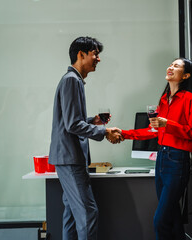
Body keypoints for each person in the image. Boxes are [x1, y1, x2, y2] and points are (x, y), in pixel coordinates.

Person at [112, 58, 192, 240]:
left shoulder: (190, 99)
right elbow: (153, 131)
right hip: (162, 158)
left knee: (160, 221)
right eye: (171, 64)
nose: (170, 67)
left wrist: (167, 124)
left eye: (176, 66)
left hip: (178, 160)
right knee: (173, 219)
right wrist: (125, 133)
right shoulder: (163, 99)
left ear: (186, 75)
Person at [49, 36, 122, 240]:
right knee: (89, 214)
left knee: (72, 214)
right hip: (71, 158)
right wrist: (104, 131)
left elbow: (72, 120)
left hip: (67, 157)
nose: (98, 59)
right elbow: (72, 124)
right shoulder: (72, 80)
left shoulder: (73, 80)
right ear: (81, 55)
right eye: (95, 54)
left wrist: (93, 120)